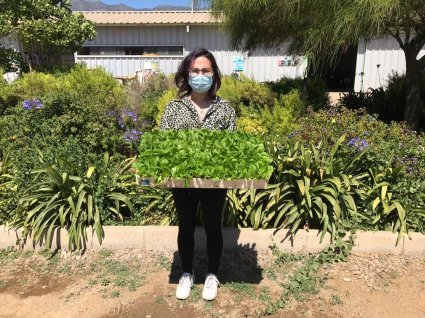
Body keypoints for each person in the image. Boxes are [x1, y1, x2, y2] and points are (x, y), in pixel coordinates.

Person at [160, 48, 236, 301]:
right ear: (187, 73)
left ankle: (212, 274)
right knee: (186, 226)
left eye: (205, 70)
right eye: (195, 70)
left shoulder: (225, 109)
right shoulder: (174, 108)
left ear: (213, 75)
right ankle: (187, 273)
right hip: (183, 182)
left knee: (214, 226)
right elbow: (164, 146)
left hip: (215, 183)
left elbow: (233, 147)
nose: (200, 75)